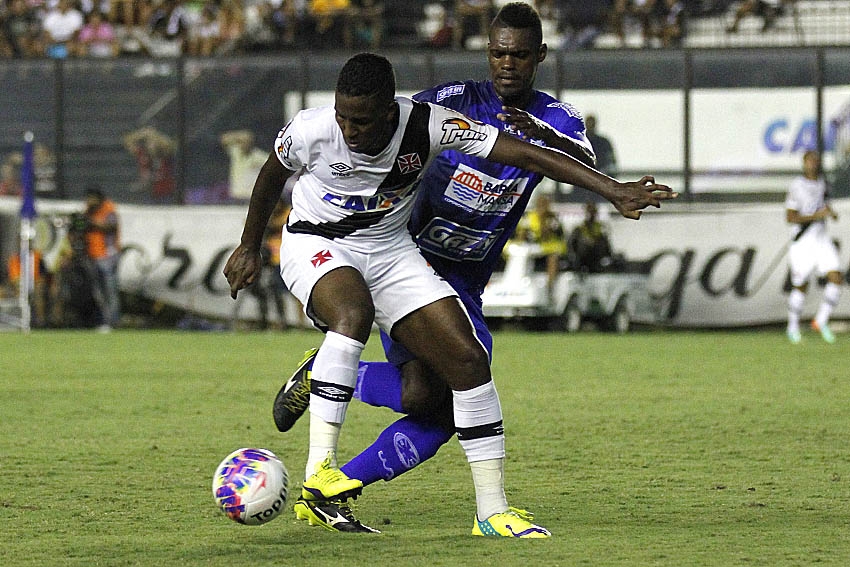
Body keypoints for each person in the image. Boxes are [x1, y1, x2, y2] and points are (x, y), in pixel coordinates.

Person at [224, 50, 674, 537]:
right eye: (344, 118)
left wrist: (613, 190)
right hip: (318, 242)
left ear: (390, 111)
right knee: (352, 315)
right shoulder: (312, 129)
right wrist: (249, 246)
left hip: (392, 253)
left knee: (468, 361)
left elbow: (521, 153)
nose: (350, 131)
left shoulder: (429, 125)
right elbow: (271, 174)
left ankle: (491, 510)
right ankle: (322, 471)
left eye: (363, 121)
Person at [273, 2, 600, 534]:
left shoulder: (556, 119)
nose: (507, 64)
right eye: (498, 52)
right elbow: (391, 122)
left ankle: (331, 386)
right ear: (487, 51)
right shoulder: (452, 102)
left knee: (431, 400)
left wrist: (545, 139)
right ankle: (353, 485)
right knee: (462, 382)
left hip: (468, 278)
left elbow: (581, 164)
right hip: (409, 262)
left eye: (519, 54)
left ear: (539, 56)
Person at [785, 150, 842, 345]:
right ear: (804, 163)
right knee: (801, 285)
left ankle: (821, 320)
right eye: (810, 161)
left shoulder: (823, 184)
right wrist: (816, 216)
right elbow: (790, 217)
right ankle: (792, 327)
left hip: (821, 239)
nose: (814, 164)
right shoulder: (796, 186)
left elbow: (825, 206)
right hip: (803, 242)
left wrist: (831, 214)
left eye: (816, 161)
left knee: (836, 277)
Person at [83, 186, 121, 331]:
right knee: (99, 292)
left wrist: (91, 222)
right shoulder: (88, 212)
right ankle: (105, 321)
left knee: (110, 291)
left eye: (91, 198)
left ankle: (113, 322)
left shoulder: (108, 209)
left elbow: (111, 226)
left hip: (108, 256)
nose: (89, 201)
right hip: (93, 255)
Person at [515, 193, 566, 296]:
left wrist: (543, 219)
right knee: (518, 254)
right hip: (533, 248)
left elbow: (546, 236)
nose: (542, 205)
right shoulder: (529, 217)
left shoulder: (552, 218)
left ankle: (550, 289)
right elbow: (520, 236)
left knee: (553, 258)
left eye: (545, 203)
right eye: (540, 203)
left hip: (549, 248)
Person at [219, 130, 268, 202]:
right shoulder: (236, 153)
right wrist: (237, 136)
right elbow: (223, 139)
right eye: (240, 142)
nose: (243, 145)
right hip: (236, 196)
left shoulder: (258, 156)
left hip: (250, 197)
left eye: (245, 142)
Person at [568, 201, 613, 273]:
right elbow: (572, 243)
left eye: (593, 211)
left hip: (596, 256)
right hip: (582, 257)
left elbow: (606, 245)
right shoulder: (579, 228)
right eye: (589, 211)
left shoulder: (601, 227)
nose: (591, 214)